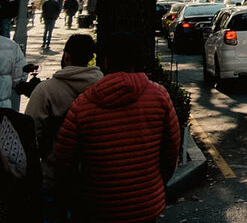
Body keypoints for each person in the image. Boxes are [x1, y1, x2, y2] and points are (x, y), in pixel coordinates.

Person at [54, 31, 181, 223]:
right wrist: (156, 183)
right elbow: (172, 148)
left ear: (105, 61)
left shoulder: (83, 105)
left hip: (98, 206)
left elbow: (64, 160)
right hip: (145, 203)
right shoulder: (159, 96)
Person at [26, 34, 102, 219]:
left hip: (55, 177)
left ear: (67, 56)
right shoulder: (103, 87)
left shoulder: (46, 90)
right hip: (96, 178)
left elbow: (29, 133)